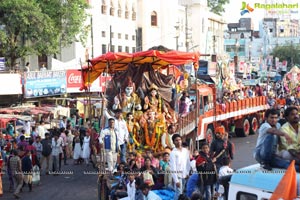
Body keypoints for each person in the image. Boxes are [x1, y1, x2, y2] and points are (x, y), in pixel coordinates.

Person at [169, 134, 191, 200]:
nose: (178, 142)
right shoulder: (173, 153)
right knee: (178, 193)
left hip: (185, 175)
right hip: (178, 176)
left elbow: (188, 163)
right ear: (173, 142)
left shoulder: (185, 151)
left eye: (179, 140)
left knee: (183, 193)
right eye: (176, 140)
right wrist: (176, 180)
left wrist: (187, 173)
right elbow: (173, 167)